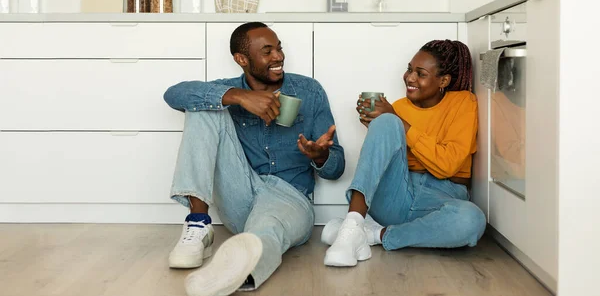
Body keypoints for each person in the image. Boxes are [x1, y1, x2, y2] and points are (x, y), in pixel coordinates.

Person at [163, 21, 344, 296]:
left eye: (279, 49)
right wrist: (238, 97)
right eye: (267, 51)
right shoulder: (228, 88)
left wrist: (321, 156)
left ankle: (233, 274)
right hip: (239, 192)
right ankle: (198, 224)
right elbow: (173, 94)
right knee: (204, 106)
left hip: (290, 198)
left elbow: (337, 168)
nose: (279, 57)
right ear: (242, 59)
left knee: (266, 231)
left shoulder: (309, 90)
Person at [320, 40, 486, 267]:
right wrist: (382, 130)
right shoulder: (396, 108)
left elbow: (448, 165)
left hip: (440, 200)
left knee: (472, 220)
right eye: (409, 69)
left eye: (421, 73)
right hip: (396, 196)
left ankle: (372, 235)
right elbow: (386, 164)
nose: (410, 78)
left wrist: (403, 126)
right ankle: (353, 223)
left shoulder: (463, 103)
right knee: (386, 122)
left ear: (444, 81)